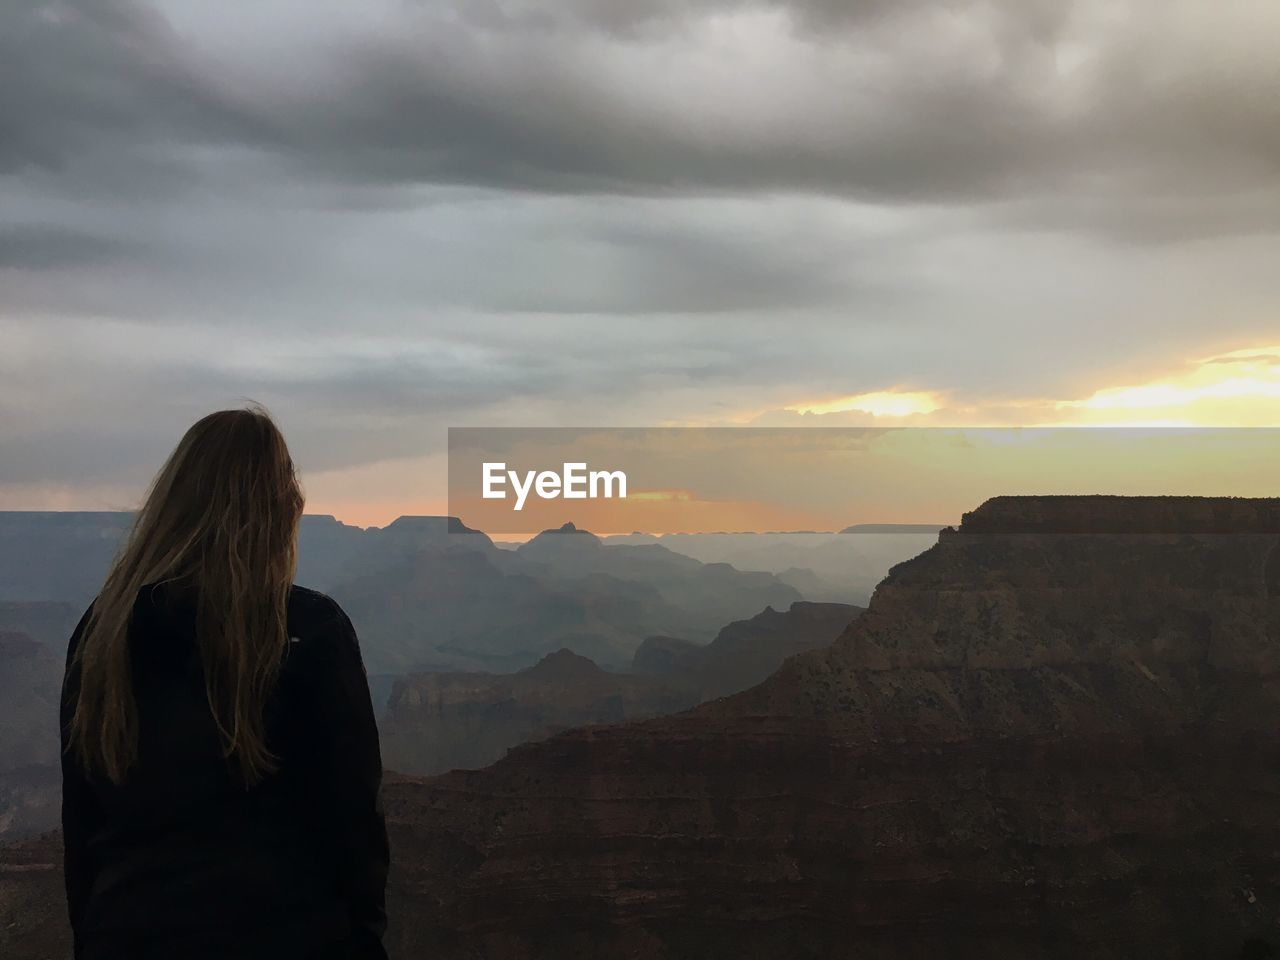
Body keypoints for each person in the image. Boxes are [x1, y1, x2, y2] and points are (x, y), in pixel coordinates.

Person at [59, 407, 390, 960]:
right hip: (286, 934)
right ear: (281, 507)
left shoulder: (104, 630)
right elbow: (353, 820)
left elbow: (83, 823)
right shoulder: (309, 631)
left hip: (128, 933)